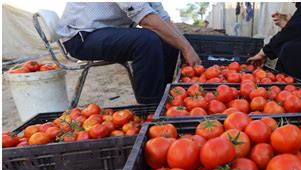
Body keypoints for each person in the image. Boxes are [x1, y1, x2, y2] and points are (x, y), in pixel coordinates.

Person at [57, 2, 201, 104]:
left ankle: (165, 98)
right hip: (81, 36)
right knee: (146, 40)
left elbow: (162, 18)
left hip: (107, 31)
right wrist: (186, 49)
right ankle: (149, 105)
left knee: (168, 39)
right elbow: (144, 17)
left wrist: (185, 45)